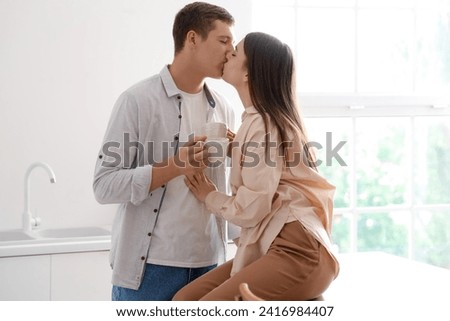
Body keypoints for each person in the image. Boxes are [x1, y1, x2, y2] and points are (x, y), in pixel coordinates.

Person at [173, 32, 340, 301]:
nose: (228, 54)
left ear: (249, 74)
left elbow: (252, 208)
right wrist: (236, 147)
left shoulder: (263, 124)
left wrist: (209, 196)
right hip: (275, 246)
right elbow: (271, 171)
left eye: (235, 52)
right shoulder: (257, 121)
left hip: (299, 252)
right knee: (185, 301)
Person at [93, 2, 238, 301]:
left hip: (210, 265)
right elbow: (104, 186)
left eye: (233, 44)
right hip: (150, 271)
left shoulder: (223, 108)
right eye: (223, 41)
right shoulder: (136, 101)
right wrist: (175, 165)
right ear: (193, 38)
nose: (230, 51)